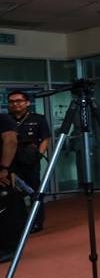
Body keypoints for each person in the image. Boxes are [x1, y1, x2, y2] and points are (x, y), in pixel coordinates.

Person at [6, 90, 50, 232]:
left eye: (19, 101)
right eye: (12, 102)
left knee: (34, 192)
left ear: (27, 103)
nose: (15, 104)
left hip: (31, 161)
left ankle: (37, 222)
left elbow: (45, 139)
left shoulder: (38, 119)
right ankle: (20, 223)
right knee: (14, 193)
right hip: (11, 161)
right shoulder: (6, 120)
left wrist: (38, 155)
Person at [0, 111, 19, 261]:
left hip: (1, 173)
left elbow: (11, 141)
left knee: (4, 210)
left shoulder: (3, 119)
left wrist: (4, 168)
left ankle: (9, 249)